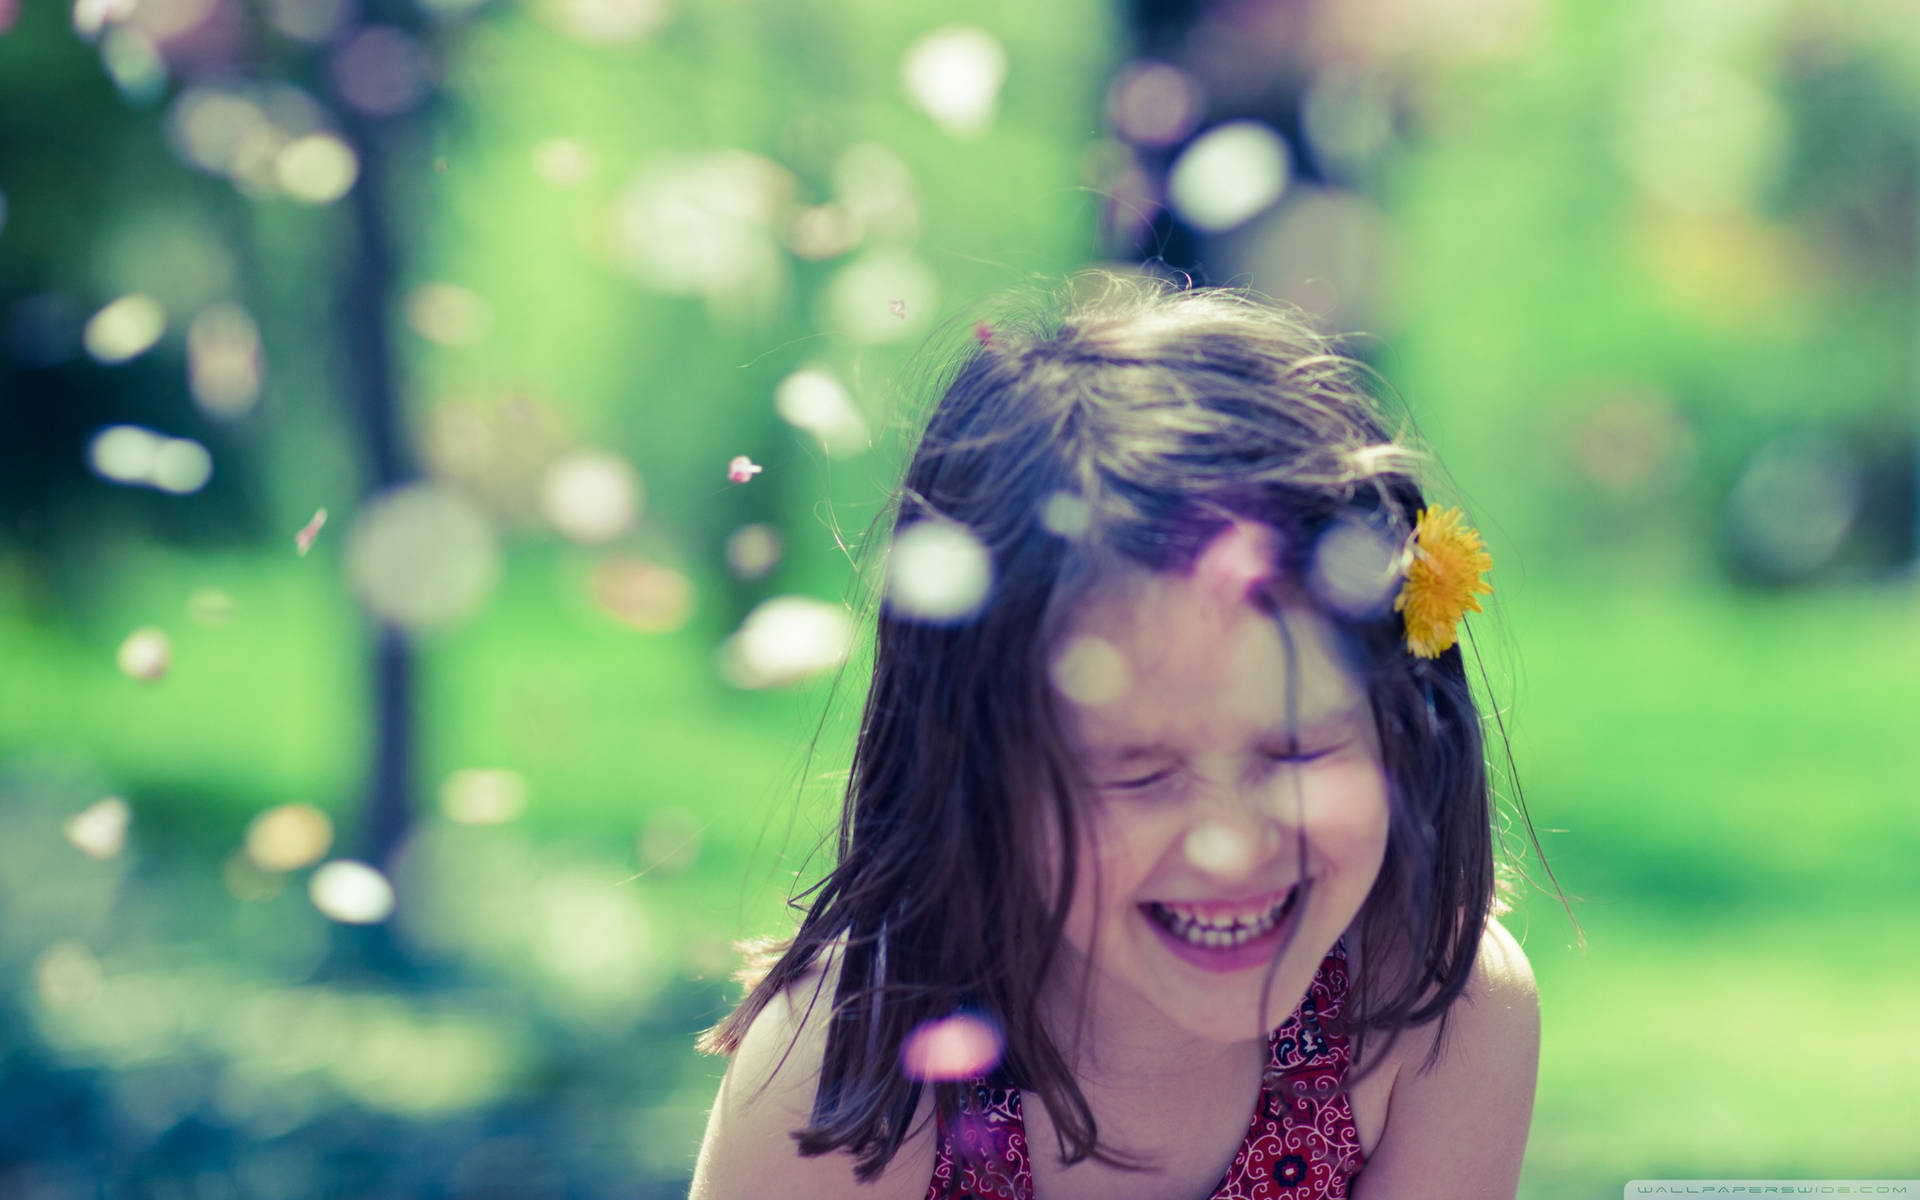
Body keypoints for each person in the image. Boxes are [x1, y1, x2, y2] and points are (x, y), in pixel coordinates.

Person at [690, 277, 1551, 1200]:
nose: (1233, 844)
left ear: (1405, 732)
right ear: (975, 772)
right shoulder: (852, 1073)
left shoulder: (1430, 1020)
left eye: (1295, 752)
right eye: (1135, 773)